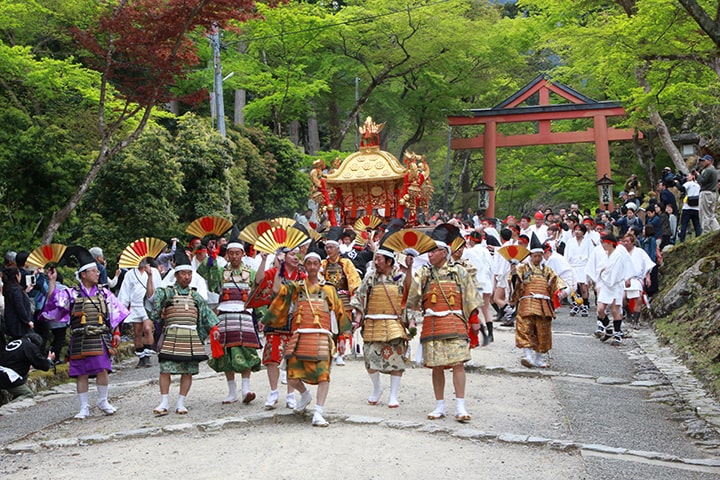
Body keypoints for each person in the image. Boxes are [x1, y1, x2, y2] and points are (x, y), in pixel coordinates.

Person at [263, 252, 352, 427]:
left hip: (322, 337)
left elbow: (341, 313)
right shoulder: (297, 288)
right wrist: (280, 267)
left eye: (315, 263)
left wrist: (343, 337)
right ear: (304, 266)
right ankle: (304, 394)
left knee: (323, 375)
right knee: (292, 376)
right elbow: (276, 290)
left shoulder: (329, 289)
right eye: (308, 264)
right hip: (300, 335)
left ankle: (319, 411)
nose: (312, 267)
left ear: (320, 266)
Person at [406, 225, 482, 423]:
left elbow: (470, 295)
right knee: (436, 366)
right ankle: (439, 404)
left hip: (454, 321)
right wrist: (408, 268)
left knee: (458, 364)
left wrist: (474, 320)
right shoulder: (424, 273)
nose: (429, 255)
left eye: (433, 251)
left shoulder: (459, 272)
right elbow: (412, 296)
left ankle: (460, 406)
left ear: (444, 252)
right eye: (428, 251)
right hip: (432, 324)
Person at [43, 247, 129, 419]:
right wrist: (52, 282)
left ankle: (103, 400)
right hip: (80, 338)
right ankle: (84, 407)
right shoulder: (72, 293)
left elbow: (116, 314)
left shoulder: (104, 293)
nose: (98, 274)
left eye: (97, 271)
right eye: (94, 271)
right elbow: (54, 303)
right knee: (80, 373)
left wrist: (117, 333)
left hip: (100, 336)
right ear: (83, 274)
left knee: (103, 369)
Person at [150, 250, 219, 416]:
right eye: (183, 274)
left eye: (189, 273)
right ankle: (164, 401)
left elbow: (206, 315)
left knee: (188, 370)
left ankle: (181, 402)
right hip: (172, 335)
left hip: (190, 337)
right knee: (165, 368)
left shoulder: (196, 296)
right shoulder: (165, 292)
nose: (187, 277)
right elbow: (155, 312)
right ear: (176, 274)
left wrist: (214, 329)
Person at [350, 247, 413, 408]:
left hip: (394, 322)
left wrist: (410, 323)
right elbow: (360, 298)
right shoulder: (370, 278)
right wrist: (357, 320)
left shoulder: (400, 278)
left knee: (396, 359)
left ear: (389, 261)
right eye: (375, 259)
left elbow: (408, 300)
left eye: (379, 259)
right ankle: (377, 387)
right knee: (370, 358)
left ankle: (393, 395)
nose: (375, 262)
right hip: (373, 322)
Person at [207, 233, 261, 406]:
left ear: (243, 254)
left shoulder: (251, 272)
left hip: (244, 314)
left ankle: (246, 389)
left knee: (246, 350)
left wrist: (261, 316)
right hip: (224, 315)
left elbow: (258, 293)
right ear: (227, 255)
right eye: (232, 253)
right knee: (227, 352)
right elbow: (209, 279)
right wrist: (210, 256)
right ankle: (232, 391)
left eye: (238, 253)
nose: (235, 256)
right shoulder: (220, 271)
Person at [252, 246, 305, 410]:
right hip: (275, 319)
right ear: (284, 257)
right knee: (272, 358)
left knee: (292, 358)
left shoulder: (301, 275)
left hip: (294, 319)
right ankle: (273, 391)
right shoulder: (274, 271)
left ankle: (291, 394)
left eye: (297, 254)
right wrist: (263, 260)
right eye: (292, 254)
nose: (295, 257)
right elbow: (259, 281)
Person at [510, 235, 566, 369]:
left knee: (543, 330)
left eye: (540, 256)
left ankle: (538, 358)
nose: (538, 258)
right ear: (530, 256)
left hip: (543, 304)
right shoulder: (523, 268)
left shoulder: (547, 270)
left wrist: (560, 291)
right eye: (535, 256)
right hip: (527, 302)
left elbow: (555, 281)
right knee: (525, 328)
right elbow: (515, 283)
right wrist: (513, 275)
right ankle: (528, 357)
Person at [321, 226, 361, 366]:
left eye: (331, 247)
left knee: (343, 327)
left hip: (343, 299)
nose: (329, 250)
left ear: (338, 248)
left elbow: (354, 281)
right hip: (328, 299)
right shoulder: (323, 264)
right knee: (329, 326)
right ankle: (330, 351)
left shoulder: (346, 263)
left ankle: (341, 353)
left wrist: (354, 298)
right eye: (327, 247)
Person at [117, 258, 162, 368]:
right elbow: (125, 291)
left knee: (147, 328)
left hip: (148, 305)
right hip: (135, 305)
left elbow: (159, 288)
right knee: (137, 332)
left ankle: (147, 356)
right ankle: (141, 357)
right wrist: (122, 308)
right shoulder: (129, 274)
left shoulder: (154, 271)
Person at [592, 234, 633, 344]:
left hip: (616, 285)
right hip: (606, 284)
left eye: (604, 243)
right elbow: (599, 269)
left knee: (615, 309)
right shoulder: (605, 255)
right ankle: (608, 328)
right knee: (600, 309)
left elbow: (616, 272)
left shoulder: (618, 255)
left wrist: (605, 272)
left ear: (610, 243)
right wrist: (602, 272)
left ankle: (617, 334)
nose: (603, 245)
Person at [620, 232, 655, 337]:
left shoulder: (640, 252)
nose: (625, 243)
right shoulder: (621, 252)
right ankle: (629, 314)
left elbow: (647, 264)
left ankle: (635, 320)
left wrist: (647, 277)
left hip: (636, 278)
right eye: (624, 241)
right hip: (623, 278)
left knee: (638, 299)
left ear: (632, 242)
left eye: (627, 241)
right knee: (622, 299)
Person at [0, 332, 54, 400]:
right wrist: (49, 359)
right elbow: (43, 365)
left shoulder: (16, 342)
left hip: (3, 371)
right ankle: (8, 408)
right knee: (28, 394)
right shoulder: (30, 346)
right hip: (8, 376)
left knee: (25, 375)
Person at [2, 267, 34, 341]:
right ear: (17, 276)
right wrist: (27, 321)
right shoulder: (16, 290)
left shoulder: (8, 288)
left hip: (11, 321)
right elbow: (19, 307)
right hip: (18, 324)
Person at [697, 154, 720, 233]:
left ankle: (706, 231)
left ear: (709, 161)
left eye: (704, 161)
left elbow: (703, 181)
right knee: (711, 214)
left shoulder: (708, 170)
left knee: (704, 213)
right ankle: (717, 230)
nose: (702, 163)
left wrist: (698, 175)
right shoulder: (714, 170)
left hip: (706, 192)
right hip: (712, 193)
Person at [679, 169, 702, 242]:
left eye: (688, 176)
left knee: (684, 225)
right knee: (697, 224)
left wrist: (676, 183)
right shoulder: (698, 185)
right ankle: (698, 238)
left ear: (692, 176)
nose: (687, 177)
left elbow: (681, 189)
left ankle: (682, 240)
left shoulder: (688, 183)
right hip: (696, 208)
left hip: (687, 208)